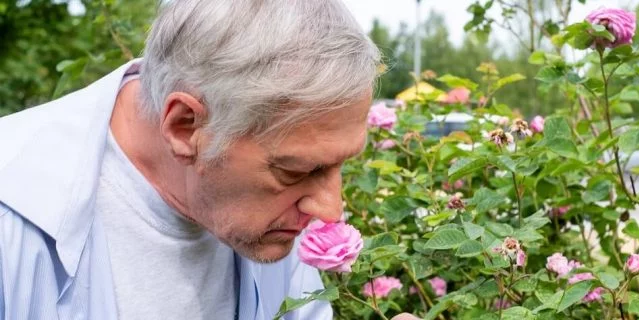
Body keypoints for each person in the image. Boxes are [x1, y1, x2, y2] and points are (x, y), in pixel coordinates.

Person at [0, 1, 418, 319]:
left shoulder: (268, 219)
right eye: (295, 171)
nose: (331, 211)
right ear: (184, 126)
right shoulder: (13, 211)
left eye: (339, 165)